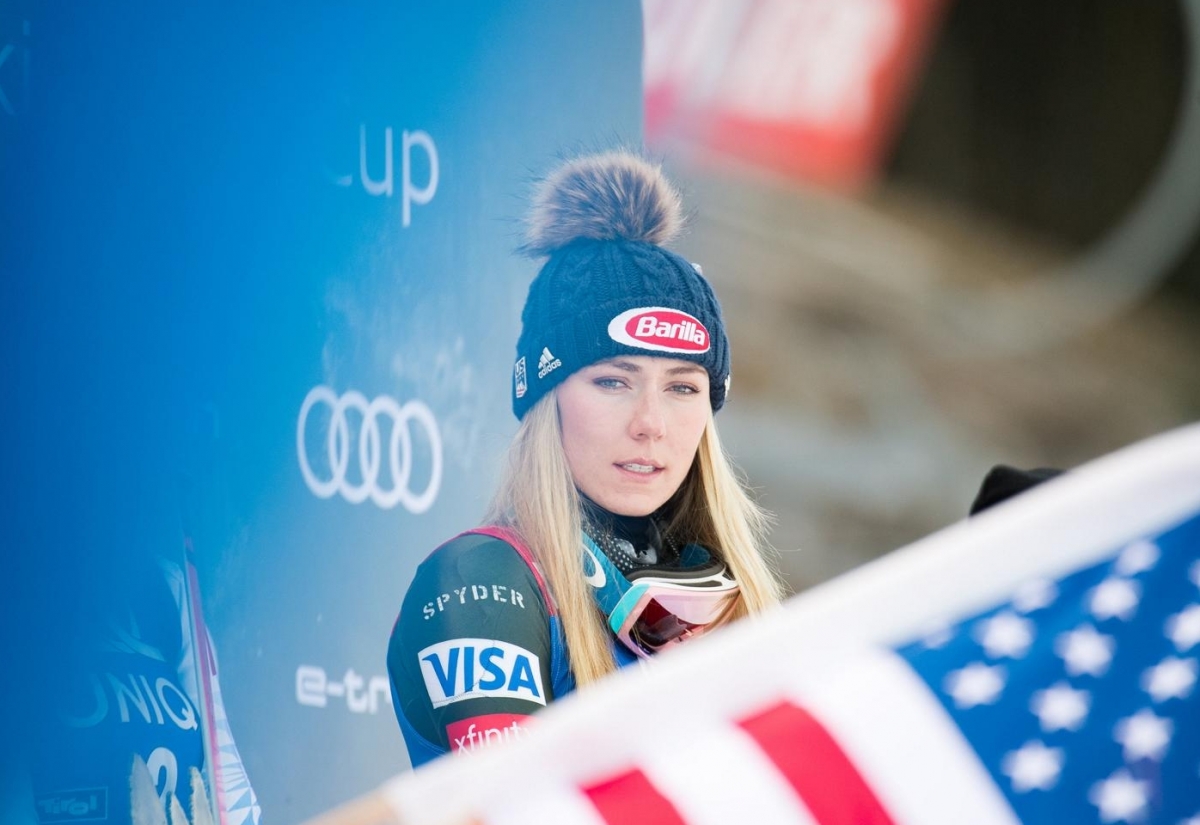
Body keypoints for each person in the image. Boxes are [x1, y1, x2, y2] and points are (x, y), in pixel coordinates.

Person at [386, 150, 784, 767]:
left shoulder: (735, 603)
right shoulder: (484, 581)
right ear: (548, 398)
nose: (650, 424)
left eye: (682, 388)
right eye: (612, 382)